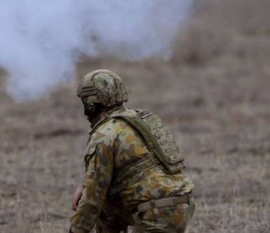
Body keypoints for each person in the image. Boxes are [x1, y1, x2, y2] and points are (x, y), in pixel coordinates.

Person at [69, 69, 195, 233]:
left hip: (157, 212)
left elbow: (92, 200)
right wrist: (85, 184)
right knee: (106, 208)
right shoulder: (138, 119)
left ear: (92, 105)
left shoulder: (104, 135)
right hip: (180, 203)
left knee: (100, 203)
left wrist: (75, 230)